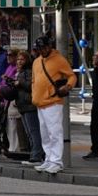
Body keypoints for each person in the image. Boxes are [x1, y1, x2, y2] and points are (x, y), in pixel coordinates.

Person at [32, 34, 74, 174]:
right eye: (39, 48)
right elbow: (34, 81)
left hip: (53, 101)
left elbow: (72, 76)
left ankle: (56, 161)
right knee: (45, 134)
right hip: (40, 102)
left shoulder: (59, 60)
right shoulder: (36, 62)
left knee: (54, 132)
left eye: (43, 47)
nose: (42, 50)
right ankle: (49, 159)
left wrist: (68, 86)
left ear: (49, 46)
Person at [13, 49, 44, 166]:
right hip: (22, 105)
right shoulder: (20, 72)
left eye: (22, 59)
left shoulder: (29, 71)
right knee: (29, 132)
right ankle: (34, 154)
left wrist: (20, 83)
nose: (19, 61)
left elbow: (32, 86)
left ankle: (37, 155)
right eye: (18, 59)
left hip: (29, 105)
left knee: (33, 131)